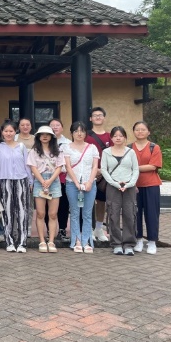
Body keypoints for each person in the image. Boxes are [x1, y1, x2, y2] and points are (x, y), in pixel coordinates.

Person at [0, 121, 32, 253]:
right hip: (5, 181)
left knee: (22, 212)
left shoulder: (21, 146)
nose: (8, 133)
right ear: (2, 132)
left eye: (11, 131)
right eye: (6, 131)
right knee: (7, 212)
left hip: (21, 181)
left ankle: (22, 243)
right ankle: (9, 241)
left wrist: (30, 181)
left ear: (15, 132)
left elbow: (27, 165)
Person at [101, 126, 139, 255]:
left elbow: (135, 169)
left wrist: (130, 183)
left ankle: (129, 244)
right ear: (111, 138)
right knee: (113, 214)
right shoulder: (106, 152)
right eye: (115, 136)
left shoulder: (131, 152)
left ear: (125, 138)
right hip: (113, 186)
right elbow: (104, 169)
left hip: (129, 187)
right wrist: (114, 183)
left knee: (130, 214)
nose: (118, 138)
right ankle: (116, 243)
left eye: (121, 136)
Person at [63, 121, 99, 254]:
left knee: (87, 214)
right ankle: (77, 240)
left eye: (82, 131)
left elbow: (95, 167)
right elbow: (67, 167)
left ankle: (87, 240)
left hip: (90, 184)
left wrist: (89, 182)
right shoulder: (66, 148)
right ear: (71, 133)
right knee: (74, 213)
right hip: (72, 184)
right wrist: (76, 183)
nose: (79, 133)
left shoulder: (92, 148)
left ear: (85, 133)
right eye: (76, 131)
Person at [27, 125, 64, 253]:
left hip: (54, 181)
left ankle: (51, 241)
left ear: (52, 137)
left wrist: (50, 180)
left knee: (53, 214)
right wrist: (43, 181)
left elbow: (59, 167)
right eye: (42, 134)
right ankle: (42, 241)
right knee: (40, 213)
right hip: (39, 181)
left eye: (47, 134)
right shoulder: (34, 151)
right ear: (38, 136)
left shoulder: (58, 150)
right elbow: (33, 167)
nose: (44, 136)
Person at [130, 121, 162, 255]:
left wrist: (134, 168)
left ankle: (152, 241)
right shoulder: (129, 148)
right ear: (133, 132)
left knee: (152, 214)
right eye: (137, 129)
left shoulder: (154, 147)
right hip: (133, 185)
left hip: (151, 185)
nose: (140, 132)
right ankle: (138, 240)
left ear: (148, 132)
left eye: (143, 129)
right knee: (135, 214)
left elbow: (153, 166)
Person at [86, 107, 112, 242]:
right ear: (90, 118)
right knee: (88, 202)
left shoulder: (110, 136)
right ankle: (88, 229)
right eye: (95, 115)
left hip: (104, 174)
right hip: (88, 174)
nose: (97, 117)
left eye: (100, 115)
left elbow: (114, 154)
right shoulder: (86, 135)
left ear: (104, 118)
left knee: (101, 202)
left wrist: (102, 170)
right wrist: (93, 170)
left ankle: (99, 228)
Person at [49, 118, 71, 244]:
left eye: (57, 125)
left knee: (63, 204)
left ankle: (62, 229)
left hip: (63, 177)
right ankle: (49, 230)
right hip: (46, 178)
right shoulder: (43, 141)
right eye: (52, 125)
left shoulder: (68, 143)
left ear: (62, 128)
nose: (55, 127)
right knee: (47, 205)